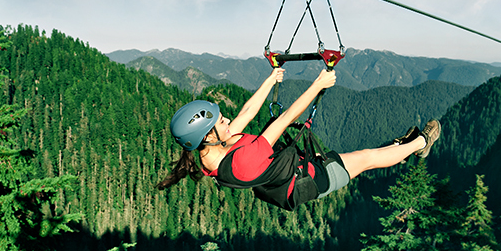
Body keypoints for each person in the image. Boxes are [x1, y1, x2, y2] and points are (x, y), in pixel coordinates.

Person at [157, 67, 440, 210]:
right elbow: (285, 118)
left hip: (296, 173)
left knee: (366, 156)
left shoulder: (210, 153)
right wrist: (319, 84)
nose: (228, 121)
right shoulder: (242, 161)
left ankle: (402, 145)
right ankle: (421, 144)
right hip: (310, 181)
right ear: (208, 135)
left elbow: (247, 111)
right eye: (221, 121)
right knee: (366, 158)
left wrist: (270, 79)